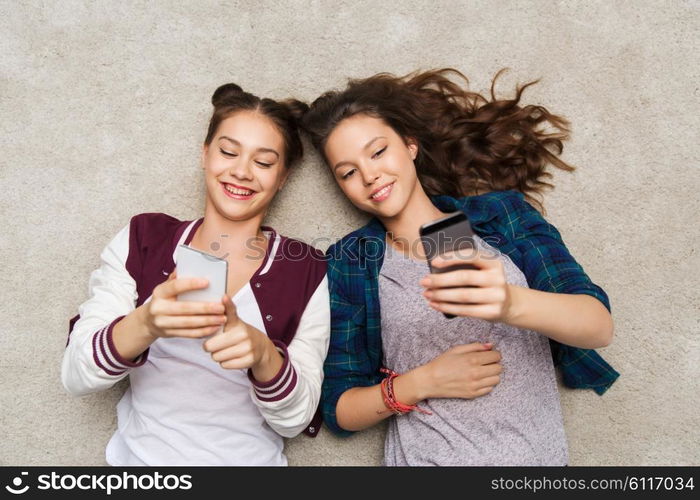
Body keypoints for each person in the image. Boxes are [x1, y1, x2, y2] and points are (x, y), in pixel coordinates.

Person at [302, 68, 618, 466]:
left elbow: (597, 326)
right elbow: (340, 409)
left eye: (378, 151)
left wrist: (509, 303)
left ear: (410, 145)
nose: (369, 175)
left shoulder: (500, 217)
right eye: (348, 172)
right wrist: (421, 382)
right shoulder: (352, 261)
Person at [62, 84, 330, 466]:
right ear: (205, 155)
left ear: (283, 177)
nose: (241, 171)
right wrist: (146, 322)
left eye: (264, 162)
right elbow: (76, 375)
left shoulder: (306, 268)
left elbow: (295, 420)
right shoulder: (144, 238)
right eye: (228, 151)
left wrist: (262, 354)